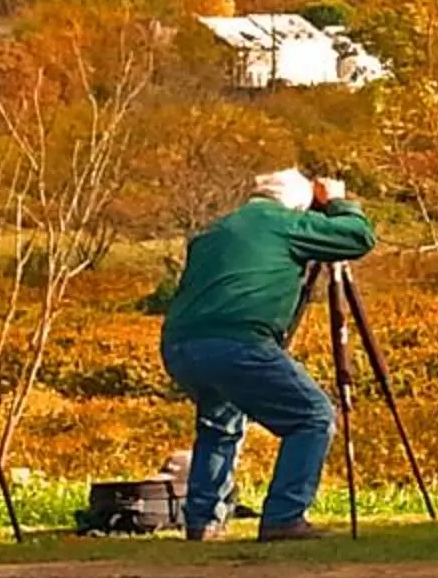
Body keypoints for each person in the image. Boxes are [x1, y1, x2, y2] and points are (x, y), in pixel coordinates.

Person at [159, 169, 376, 542]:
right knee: (313, 416)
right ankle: (284, 516)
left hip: (181, 345)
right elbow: (358, 237)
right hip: (238, 342)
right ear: (299, 204)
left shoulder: (215, 231)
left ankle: (203, 521)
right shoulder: (283, 224)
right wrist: (338, 202)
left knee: (219, 424)